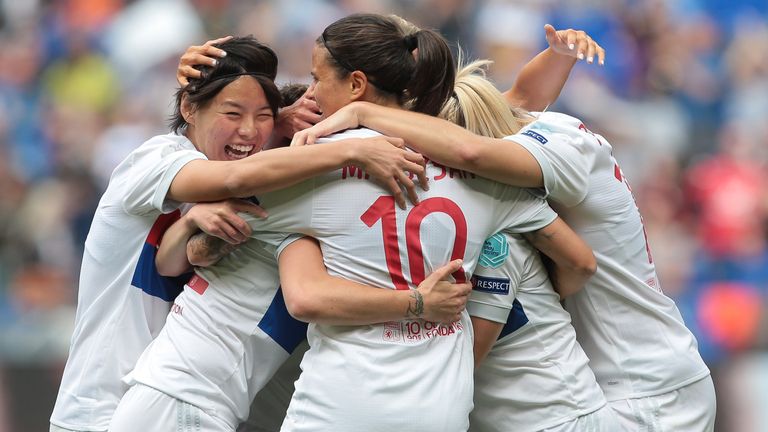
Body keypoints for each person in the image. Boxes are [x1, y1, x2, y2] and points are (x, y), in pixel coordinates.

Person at [292, 44, 716, 432]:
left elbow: (471, 153)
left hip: (645, 388)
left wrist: (362, 116)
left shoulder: (553, 150)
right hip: (639, 373)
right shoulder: (539, 131)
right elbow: (509, 103)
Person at [49, 35, 428, 432]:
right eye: (232, 114)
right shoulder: (154, 160)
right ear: (188, 107)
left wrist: (272, 121)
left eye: (261, 116)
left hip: (164, 402)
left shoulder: (246, 187)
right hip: (100, 409)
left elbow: (175, 255)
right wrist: (352, 150)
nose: (248, 132)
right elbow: (232, 177)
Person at [436, 60, 621, 431]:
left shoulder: (498, 240)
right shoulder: (510, 213)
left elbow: (465, 362)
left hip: (555, 420)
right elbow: (579, 265)